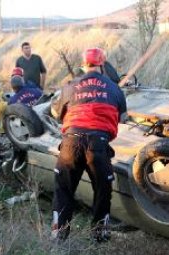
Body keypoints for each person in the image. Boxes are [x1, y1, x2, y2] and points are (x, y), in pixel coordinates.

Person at [50, 48, 127, 242]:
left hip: (70, 143)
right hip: (98, 145)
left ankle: (58, 237)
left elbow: (58, 114)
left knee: (64, 191)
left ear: (84, 65)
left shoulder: (70, 86)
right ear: (102, 65)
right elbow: (123, 117)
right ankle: (99, 237)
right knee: (103, 192)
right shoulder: (115, 88)